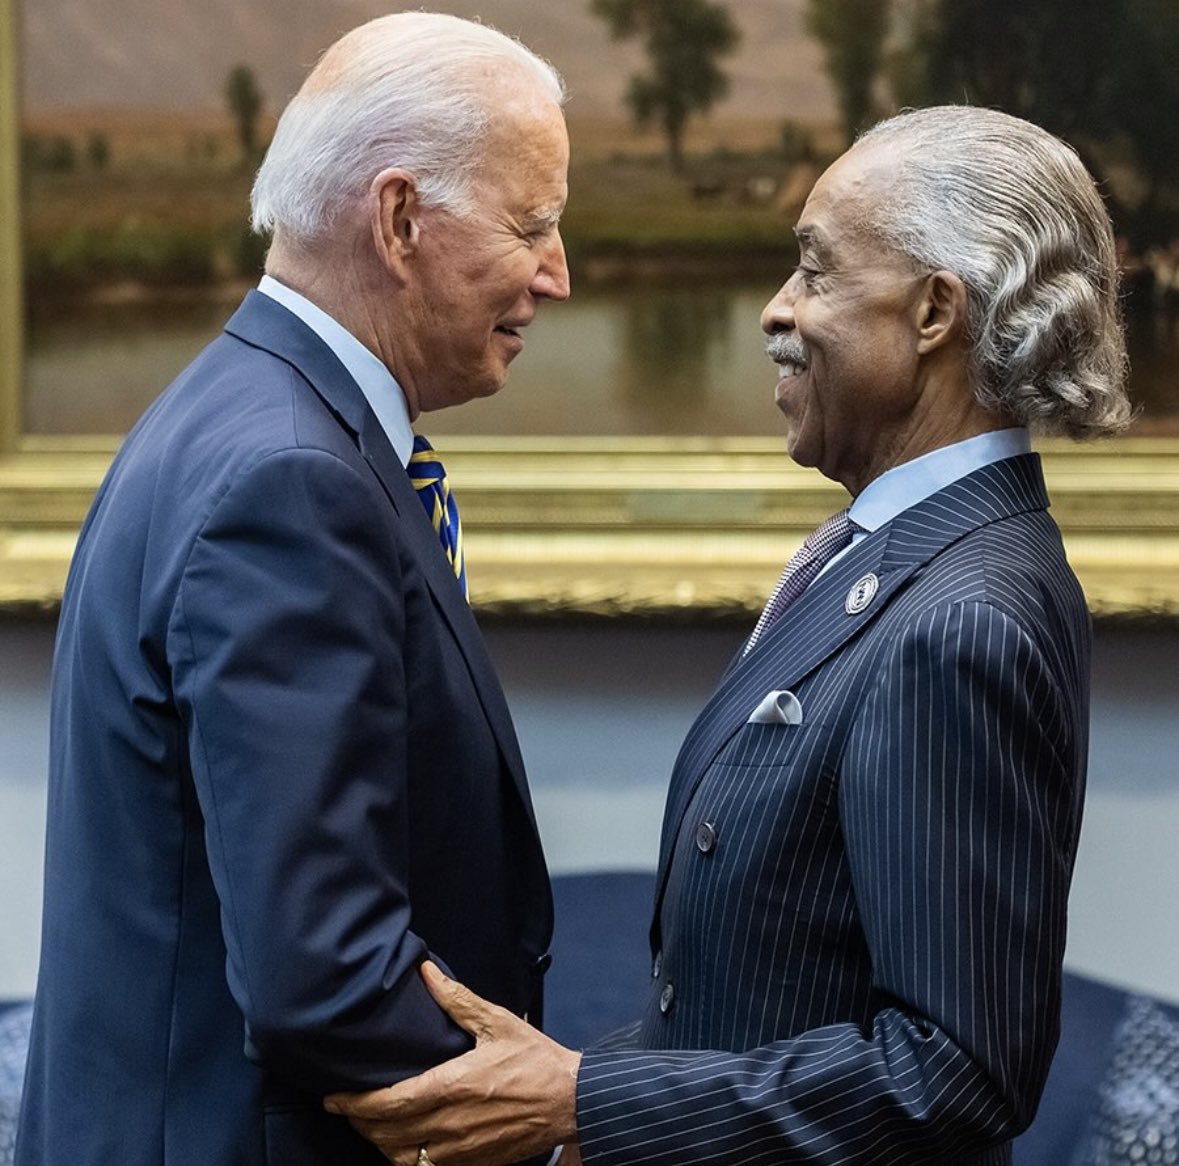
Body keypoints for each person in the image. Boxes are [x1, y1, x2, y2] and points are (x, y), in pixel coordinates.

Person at [324, 105, 1133, 1166]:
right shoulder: (888, 557)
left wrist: (583, 1098)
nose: (776, 310)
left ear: (936, 311)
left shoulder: (963, 616)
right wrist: (563, 1103)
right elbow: (744, 998)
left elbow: (955, 1072)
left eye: (816, 269)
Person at [16, 12, 570, 1165]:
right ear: (402, 217)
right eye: (533, 226)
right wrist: (552, 1113)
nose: (557, 276)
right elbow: (323, 972)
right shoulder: (292, 480)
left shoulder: (237, 410)